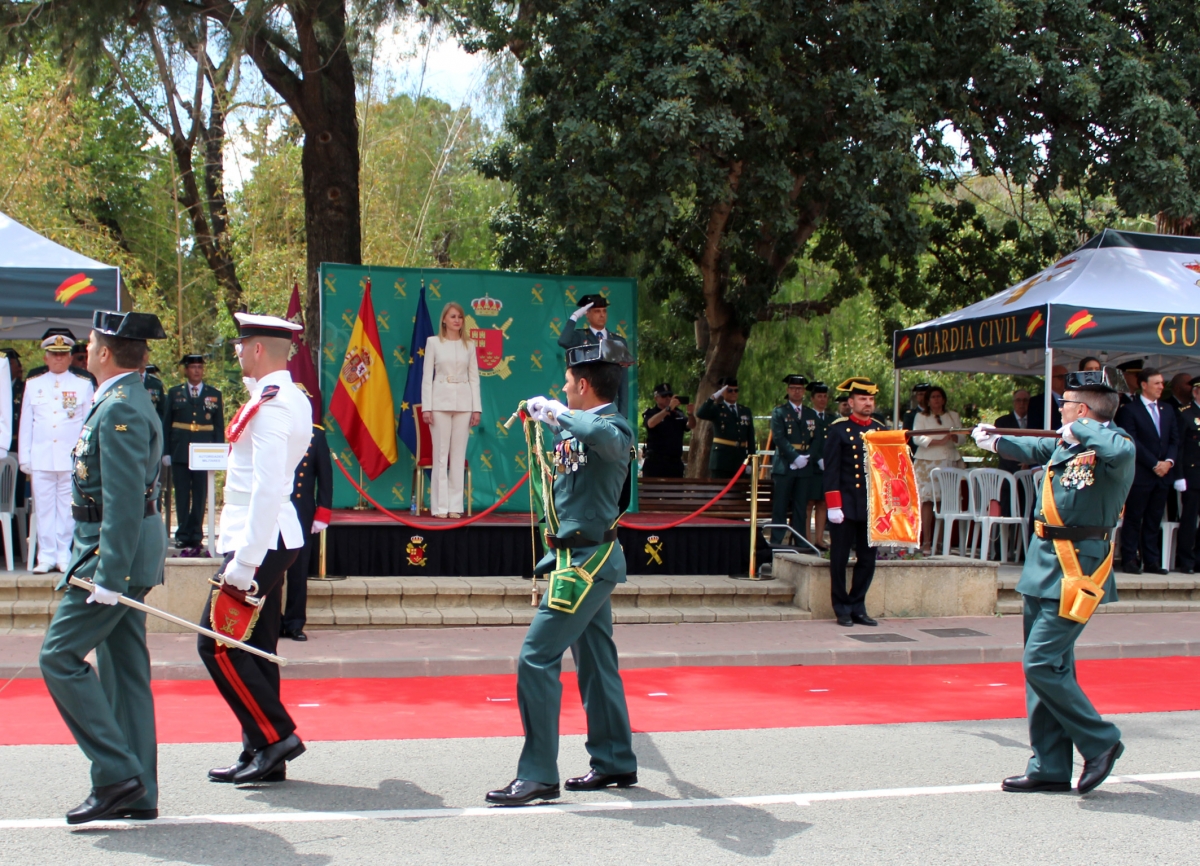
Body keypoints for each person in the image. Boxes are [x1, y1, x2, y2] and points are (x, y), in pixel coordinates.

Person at [487, 339, 638, 806]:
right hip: (575, 559)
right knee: (596, 663)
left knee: (535, 657)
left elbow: (603, 438)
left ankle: (537, 774)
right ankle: (614, 759)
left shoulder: (614, 428)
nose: (564, 388)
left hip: (589, 564)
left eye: (569, 383)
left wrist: (557, 412)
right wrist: (555, 421)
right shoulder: (578, 429)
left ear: (585, 385)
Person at [972, 368, 1133, 796]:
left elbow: (1114, 447)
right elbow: (1034, 445)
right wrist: (994, 440)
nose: (1060, 411)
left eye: (1066, 405)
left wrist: (1082, 428)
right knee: (1048, 669)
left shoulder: (1116, 445)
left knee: (1040, 663)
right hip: (1043, 564)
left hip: (1079, 568)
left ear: (1083, 411)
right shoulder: (1067, 444)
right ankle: (1050, 765)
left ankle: (1101, 741)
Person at [37, 310, 168, 824]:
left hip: (111, 557)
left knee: (58, 657)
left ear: (106, 352)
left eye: (90, 343)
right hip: (114, 551)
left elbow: (122, 500)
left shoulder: (121, 408)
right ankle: (138, 792)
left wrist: (109, 577)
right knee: (125, 668)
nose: (84, 349)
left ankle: (116, 774)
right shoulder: (121, 398)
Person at [198, 313, 312, 786]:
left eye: (241, 344)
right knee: (257, 648)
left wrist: (244, 563)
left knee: (216, 643)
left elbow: (267, 489)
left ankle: (275, 737)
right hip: (266, 536)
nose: (237, 351)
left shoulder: (272, 404)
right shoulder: (286, 396)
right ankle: (261, 751)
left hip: (259, 541)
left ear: (259, 349)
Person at [20, 333, 93, 572]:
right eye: (54, 354)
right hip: (41, 456)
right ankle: (46, 556)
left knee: (66, 509)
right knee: (43, 509)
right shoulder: (34, 384)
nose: (58, 359)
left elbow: (87, 425)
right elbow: (26, 423)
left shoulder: (82, 385)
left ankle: (63, 554)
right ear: (46, 357)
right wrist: (24, 457)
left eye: (63, 354)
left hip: (69, 457)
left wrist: (85, 457)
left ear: (70, 357)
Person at [822, 377, 887, 627]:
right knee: (839, 558)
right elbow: (831, 471)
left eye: (870, 399)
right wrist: (833, 504)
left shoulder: (880, 430)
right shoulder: (839, 429)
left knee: (868, 560)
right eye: (862, 399)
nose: (867, 403)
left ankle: (858, 606)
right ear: (851, 402)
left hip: (870, 505)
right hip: (845, 503)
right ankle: (841, 608)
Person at [1114, 366, 1178, 574]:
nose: (1161, 387)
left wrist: (1168, 462)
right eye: (1157, 383)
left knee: (1154, 518)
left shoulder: (1167, 409)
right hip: (1141, 473)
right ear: (1144, 385)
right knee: (1134, 517)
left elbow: (1174, 439)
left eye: (1162, 383)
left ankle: (1151, 560)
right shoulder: (1130, 410)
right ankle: (1130, 559)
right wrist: (1154, 463)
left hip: (1163, 474)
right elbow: (1132, 441)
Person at [421, 301, 482, 519]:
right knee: (440, 455)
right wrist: (427, 407)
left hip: (464, 403)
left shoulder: (469, 345)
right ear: (444, 320)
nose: (457, 320)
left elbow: (474, 378)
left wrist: (476, 408)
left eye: (460, 316)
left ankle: (455, 506)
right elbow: (426, 378)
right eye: (453, 316)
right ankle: (439, 507)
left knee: (458, 456)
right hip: (439, 402)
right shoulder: (433, 342)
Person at [164, 355, 225, 554]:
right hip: (180, 449)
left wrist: (219, 452)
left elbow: (218, 426)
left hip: (204, 451)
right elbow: (166, 424)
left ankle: (196, 534)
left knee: (200, 494)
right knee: (182, 494)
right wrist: (166, 451)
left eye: (200, 367)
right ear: (186, 370)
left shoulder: (213, 394)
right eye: (193, 367)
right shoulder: (174, 393)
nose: (197, 371)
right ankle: (182, 534)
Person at [281, 419, 332, 641]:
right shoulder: (275, 428)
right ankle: (271, 622)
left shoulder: (316, 436)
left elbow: (325, 477)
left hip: (301, 511)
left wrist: (323, 512)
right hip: (275, 508)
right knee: (272, 570)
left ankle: (294, 623)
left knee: (299, 569)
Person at [912, 386, 967, 554]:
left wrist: (954, 436)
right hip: (927, 461)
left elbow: (963, 438)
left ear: (943, 399)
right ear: (928, 400)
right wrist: (939, 441)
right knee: (928, 501)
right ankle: (927, 541)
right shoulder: (921, 416)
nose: (936, 400)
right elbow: (917, 437)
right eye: (933, 397)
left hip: (949, 460)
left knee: (946, 501)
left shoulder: (953, 416)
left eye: (939, 396)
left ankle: (942, 542)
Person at [557, 294, 631, 418]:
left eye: (604, 311)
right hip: (583, 404)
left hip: (609, 406)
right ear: (587, 314)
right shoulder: (580, 336)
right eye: (597, 311)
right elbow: (563, 341)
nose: (602, 315)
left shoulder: (618, 341)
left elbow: (623, 380)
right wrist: (574, 317)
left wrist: (623, 415)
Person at [769, 375, 822, 545]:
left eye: (799, 389)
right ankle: (776, 541)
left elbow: (817, 439)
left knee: (801, 506)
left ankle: (800, 541)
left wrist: (808, 457)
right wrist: (794, 457)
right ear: (788, 390)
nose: (796, 391)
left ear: (804, 391)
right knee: (780, 505)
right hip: (785, 465)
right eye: (793, 388)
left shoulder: (810, 413)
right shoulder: (779, 412)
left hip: (805, 465)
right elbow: (779, 438)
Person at [695, 377, 755, 479]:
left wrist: (751, 461)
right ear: (722, 392)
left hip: (740, 459)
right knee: (721, 488)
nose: (733, 393)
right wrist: (713, 397)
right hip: (721, 460)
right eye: (729, 390)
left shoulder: (745, 411)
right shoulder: (717, 409)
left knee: (740, 489)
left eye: (736, 390)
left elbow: (750, 437)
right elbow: (700, 413)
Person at [1174, 376, 1200, 574]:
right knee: (1189, 520)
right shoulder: (1185, 413)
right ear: (1196, 392)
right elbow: (1179, 446)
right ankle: (1186, 560)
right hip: (1192, 475)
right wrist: (1179, 475)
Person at [641, 382, 694, 478]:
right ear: (656, 398)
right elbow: (650, 423)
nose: (668, 398)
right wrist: (668, 409)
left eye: (670, 395)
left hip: (674, 464)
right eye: (664, 395)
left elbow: (690, 426)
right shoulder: (651, 412)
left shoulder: (678, 413)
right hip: (655, 463)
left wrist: (691, 414)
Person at [805, 382, 833, 548]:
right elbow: (807, 441)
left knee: (823, 502)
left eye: (825, 396)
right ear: (812, 398)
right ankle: (807, 539)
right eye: (819, 396)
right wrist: (817, 459)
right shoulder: (807, 417)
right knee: (809, 503)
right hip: (810, 465)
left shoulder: (831, 419)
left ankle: (819, 539)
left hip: (827, 467)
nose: (822, 399)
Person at [4, 348, 25, 512]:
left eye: (10, 363)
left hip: (17, 444)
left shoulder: (24, 388)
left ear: (18, 367)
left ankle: (17, 525)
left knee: (16, 490)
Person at [995, 389, 1032, 474]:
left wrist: (1029, 462)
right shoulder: (1002, 422)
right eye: (1018, 400)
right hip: (1008, 471)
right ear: (1013, 403)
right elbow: (1002, 447)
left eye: (1025, 400)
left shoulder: (1036, 421)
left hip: (1032, 471)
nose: (1022, 403)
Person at [1029, 365, 1066, 431]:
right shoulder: (1037, 402)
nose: (1065, 380)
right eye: (1061, 377)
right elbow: (1033, 428)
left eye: (1067, 377)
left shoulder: (1073, 400)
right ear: (1050, 379)